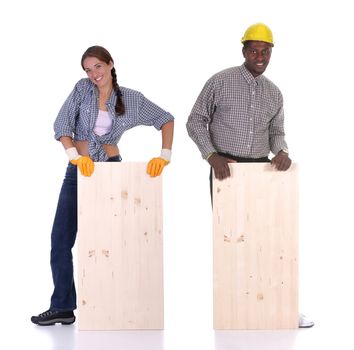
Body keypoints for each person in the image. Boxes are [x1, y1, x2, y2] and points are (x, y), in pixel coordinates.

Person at [31, 46, 174, 326]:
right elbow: (61, 126)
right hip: (79, 171)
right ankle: (62, 306)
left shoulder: (130, 98)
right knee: (60, 239)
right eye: (87, 69)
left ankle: (118, 302)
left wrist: (164, 155)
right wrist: (74, 157)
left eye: (97, 66)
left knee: (112, 241)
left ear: (110, 64)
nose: (93, 74)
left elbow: (165, 119)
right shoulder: (82, 90)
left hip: (111, 170)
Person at [186, 23, 314, 328]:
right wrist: (211, 155)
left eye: (265, 50)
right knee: (231, 240)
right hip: (226, 171)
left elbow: (276, 131)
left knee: (270, 241)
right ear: (244, 51)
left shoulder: (274, 92)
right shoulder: (220, 81)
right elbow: (195, 121)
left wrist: (280, 150)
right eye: (254, 50)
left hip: (261, 172)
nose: (260, 55)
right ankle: (235, 308)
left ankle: (280, 306)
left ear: (271, 53)